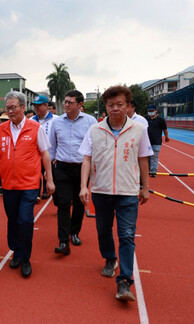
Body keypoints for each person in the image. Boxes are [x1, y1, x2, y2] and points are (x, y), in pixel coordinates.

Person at [79, 85, 153, 302]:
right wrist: (84, 186)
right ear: (106, 107)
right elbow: (86, 158)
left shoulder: (139, 129)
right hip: (101, 191)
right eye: (111, 105)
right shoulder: (95, 130)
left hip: (128, 192)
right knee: (103, 230)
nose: (115, 109)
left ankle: (124, 281)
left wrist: (145, 187)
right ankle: (110, 258)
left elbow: (143, 159)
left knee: (127, 235)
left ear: (128, 106)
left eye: (120, 104)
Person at [0, 91, 55, 278]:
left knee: (25, 220)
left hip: (29, 184)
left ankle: (25, 258)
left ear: (22, 107)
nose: (10, 111)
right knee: (12, 220)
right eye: (7, 108)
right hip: (9, 185)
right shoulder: (0, 129)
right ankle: (16, 251)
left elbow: (45, 154)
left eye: (13, 107)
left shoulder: (36, 128)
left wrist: (49, 179)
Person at [49, 90, 96, 255]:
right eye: (65, 102)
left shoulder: (91, 122)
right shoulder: (57, 122)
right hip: (62, 167)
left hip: (82, 168)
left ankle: (74, 232)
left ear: (80, 104)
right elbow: (52, 145)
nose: (66, 105)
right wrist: (51, 161)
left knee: (78, 202)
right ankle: (63, 241)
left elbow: (94, 146)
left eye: (70, 102)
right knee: (63, 203)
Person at [31, 95, 58, 200]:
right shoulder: (31, 120)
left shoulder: (56, 120)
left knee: (52, 180)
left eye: (39, 106)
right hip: (35, 158)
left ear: (46, 106)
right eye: (35, 106)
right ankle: (36, 195)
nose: (36, 108)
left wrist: (57, 154)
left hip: (51, 157)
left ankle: (57, 202)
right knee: (36, 179)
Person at [145, 104, 169, 177]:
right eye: (149, 111)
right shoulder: (145, 119)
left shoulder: (160, 120)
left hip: (156, 142)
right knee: (147, 157)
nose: (150, 112)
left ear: (156, 111)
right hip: (146, 142)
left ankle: (153, 171)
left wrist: (166, 137)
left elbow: (165, 129)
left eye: (152, 111)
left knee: (154, 157)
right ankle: (148, 169)